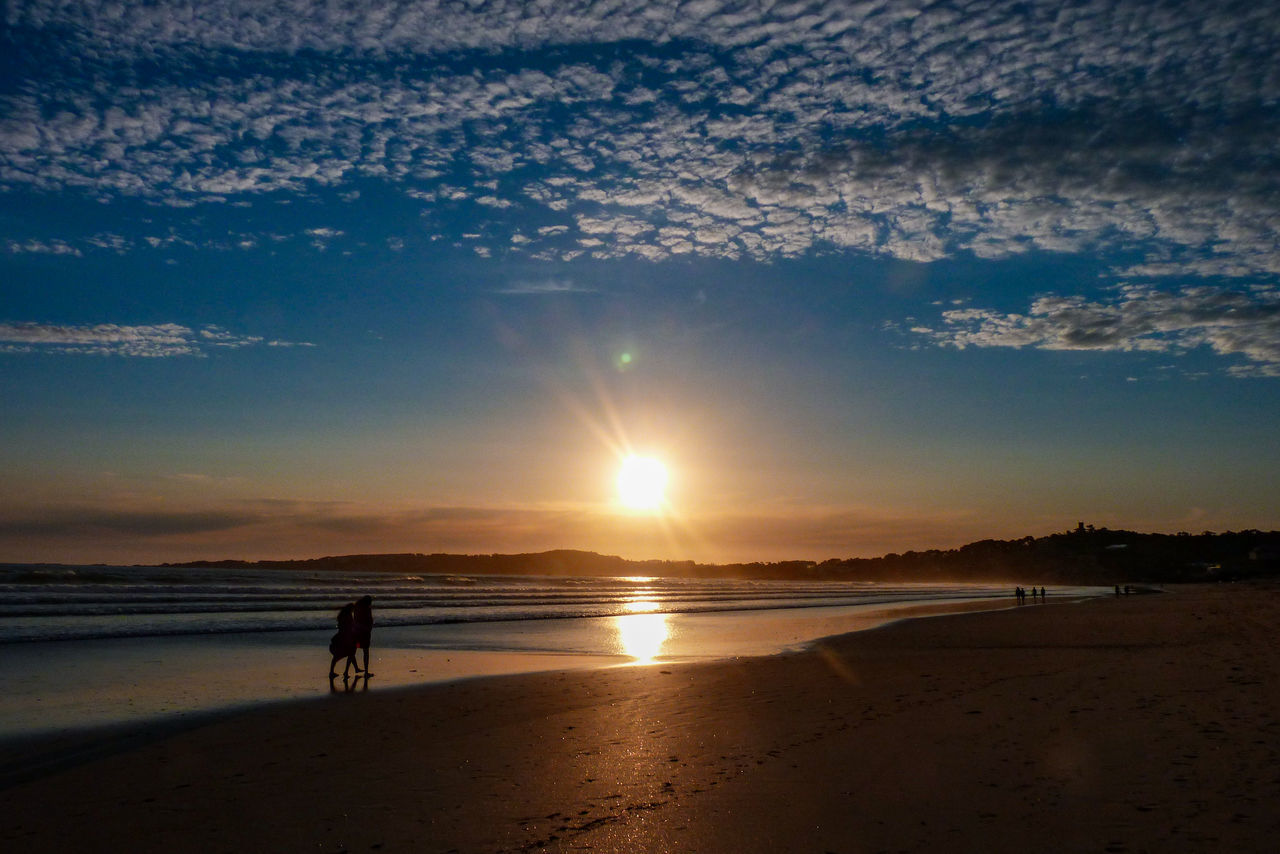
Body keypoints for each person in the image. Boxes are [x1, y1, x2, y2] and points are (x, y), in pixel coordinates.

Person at [328, 602, 362, 679]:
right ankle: (346, 672)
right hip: (346, 637)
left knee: (339, 655)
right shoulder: (348, 616)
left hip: (341, 636)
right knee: (350, 653)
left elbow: (342, 626)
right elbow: (350, 626)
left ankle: (333, 671)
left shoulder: (342, 615)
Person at [353, 594, 374, 676]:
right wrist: (369, 628)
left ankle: (351, 669)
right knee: (365, 651)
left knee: (353, 651)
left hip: (356, 631)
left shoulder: (357, 608)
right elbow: (369, 619)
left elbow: (355, 620)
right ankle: (366, 671)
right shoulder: (367, 609)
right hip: (364, 633)